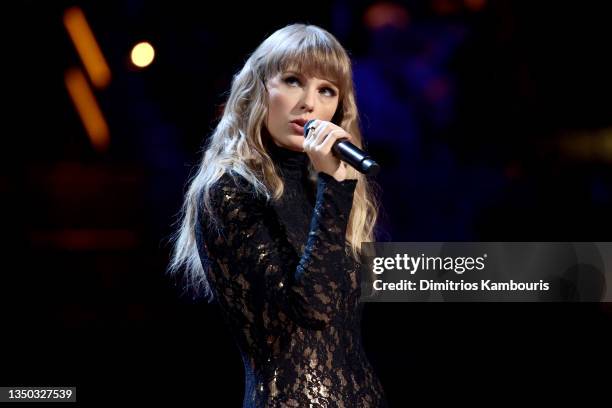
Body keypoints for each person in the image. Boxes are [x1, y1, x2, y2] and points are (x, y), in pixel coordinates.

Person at [169, 24, 387, 407]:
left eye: (326, 90)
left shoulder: (320, 185)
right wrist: (334, 187)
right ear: (257, 89)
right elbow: (313, 308)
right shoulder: (228, 192)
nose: (309, 103)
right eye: (292, 81)